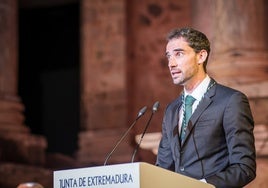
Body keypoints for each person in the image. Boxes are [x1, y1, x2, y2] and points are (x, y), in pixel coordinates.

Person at [156, 27, 256, 187]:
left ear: (201, 56)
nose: (171, 63)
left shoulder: (230, 101)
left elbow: (244, 168)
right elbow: (163, 169)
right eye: (169, 56)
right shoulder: (172, 109)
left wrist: (202, 186)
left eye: (178, 54)